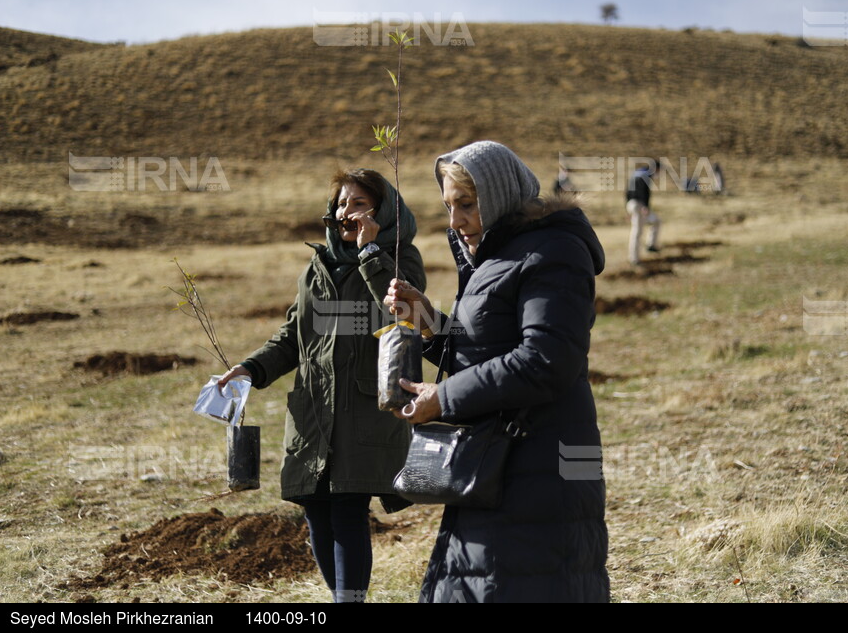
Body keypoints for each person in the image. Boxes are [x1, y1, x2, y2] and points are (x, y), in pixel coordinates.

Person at [384, 141, 609, 603]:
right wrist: (425, 320)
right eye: (448, 206)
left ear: (499, 195)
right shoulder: (497, 255)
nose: (454, 221)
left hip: (544, 464)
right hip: (497, 463)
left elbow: (545, 360)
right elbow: (483, 352)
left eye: (466, 205)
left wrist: (442, 399)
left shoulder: (554, 251)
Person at [218, 168, 426, 603]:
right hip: (313, 409)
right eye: (342, 203)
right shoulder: (316, 267)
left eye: (359, 204)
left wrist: (370, 251)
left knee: (349, 508)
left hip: (364, 408)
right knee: (316, 510)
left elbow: (402, 312)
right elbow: (293, 335)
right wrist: (250, 369)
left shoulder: (400, 258)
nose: (346, 212)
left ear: (382, 213)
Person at [625, 160, 661, 264]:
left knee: (656, 221)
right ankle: (634, 258)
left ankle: (651, 245)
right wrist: (645, 206)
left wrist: (627, 209)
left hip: (631, 204)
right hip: (639, 205)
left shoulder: (636, 174)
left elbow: (627, 192)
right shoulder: (645, 176)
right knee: (637, 231)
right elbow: (644, 191)